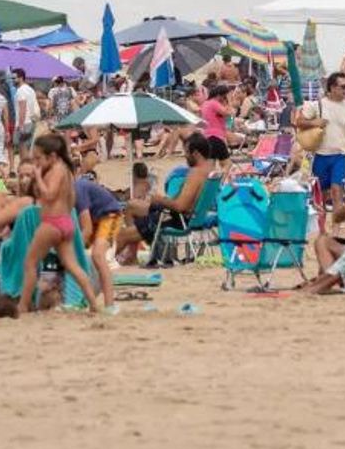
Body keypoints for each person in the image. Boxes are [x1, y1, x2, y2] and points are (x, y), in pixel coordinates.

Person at [18, 134, 99, 314]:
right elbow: (70, 200)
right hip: (66, 222)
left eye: (39, 158)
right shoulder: (67, 172)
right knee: (72, 265)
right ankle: (93, 303)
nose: (36, 162)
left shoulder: (56, 170)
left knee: (30, 262)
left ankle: (22, 306)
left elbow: (49, 194)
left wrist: (38, 177)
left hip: (52, 224)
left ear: (52, 156)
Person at [116, 133, 221, 264]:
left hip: (178, 220)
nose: (185, 155)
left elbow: (180, 206)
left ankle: (103, 266)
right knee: (132, 206)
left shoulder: (196, 173)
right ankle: (132, 253)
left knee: (122, 236)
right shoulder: (211, 171)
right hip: (191, 218)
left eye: (186, 152)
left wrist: (160, 200)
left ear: (195, 153)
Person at [296, 73, 345, 233]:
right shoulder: (318, 104)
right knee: (321, 195)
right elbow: (299, 122)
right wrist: (314, 122)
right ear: (332, 88)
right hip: (319, 155)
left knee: (337, 190)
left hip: (340, 155)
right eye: (343, 86)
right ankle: (322, 228)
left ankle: (336, 230)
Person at [74, 174, 122, 311]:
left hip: (110, 214)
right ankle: (83, 299)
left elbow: (87, 229)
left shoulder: (77, 190)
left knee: (98, 256)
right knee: (79, 258)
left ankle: (109, 305)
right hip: (96, 218)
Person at [12, 69, 41, 166]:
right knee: (28, 149)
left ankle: (25, 170)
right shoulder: (30, 89)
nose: (12, 80)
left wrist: (20, 125)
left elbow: (22, 108)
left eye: (14, 78)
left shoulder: (21, 91)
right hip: (31, 121)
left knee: (22, 150)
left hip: (24, 123)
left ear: (20, 78)